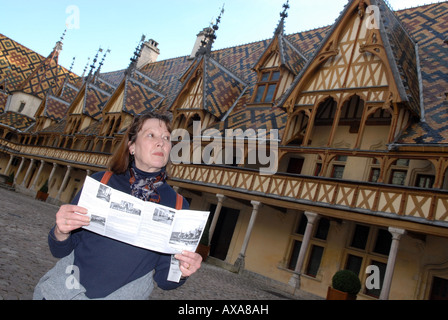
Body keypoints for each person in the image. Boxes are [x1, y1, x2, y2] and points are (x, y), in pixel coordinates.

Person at [34, 112, 202, 299]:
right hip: (66, 291)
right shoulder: (101, 182)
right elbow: (59, 250)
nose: (161, 142)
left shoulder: (178, 205)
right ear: (131, 147)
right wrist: (61, 231)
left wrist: (182, 271)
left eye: (166, 138)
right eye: (151, 135)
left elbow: (164, 280)